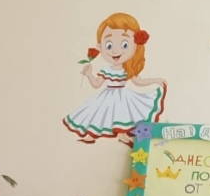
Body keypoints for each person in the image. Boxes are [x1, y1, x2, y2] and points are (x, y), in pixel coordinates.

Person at [63, 12, 167, 145]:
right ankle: (90, 135)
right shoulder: (106, 69)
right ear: (100, 47)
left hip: (123, 96)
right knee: (98, 113)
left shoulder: (127, 68)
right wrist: (89, 74)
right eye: (109, 45)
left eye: (124, 44)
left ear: (135, 45)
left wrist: (155, 80)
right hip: (107, 96)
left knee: (122, 115)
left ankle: (122, 136)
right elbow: (96, 84)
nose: (115, 51)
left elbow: (138, 82)